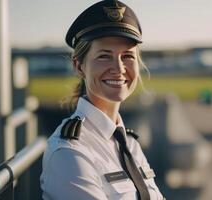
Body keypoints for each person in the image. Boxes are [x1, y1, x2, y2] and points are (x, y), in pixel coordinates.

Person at [40, 0, 164, 199]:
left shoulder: (129, 143)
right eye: (104, 56)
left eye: (127, 56)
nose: (119, 68)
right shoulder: (70, 152)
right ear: (79, 66)